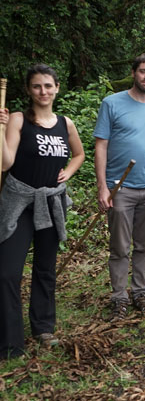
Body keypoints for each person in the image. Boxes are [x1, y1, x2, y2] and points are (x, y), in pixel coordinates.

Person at [0, 64, 84, 359]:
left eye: (48, 86)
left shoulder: (66, 123)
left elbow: (80, 153)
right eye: (37, 86)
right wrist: (0, 128)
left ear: (57, 88)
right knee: (7, 272)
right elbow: (5, 162)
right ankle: (11, 343)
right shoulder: (19, 120)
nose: (43, 91)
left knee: (45, 269)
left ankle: (44, 328)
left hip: (51, 203)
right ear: (29, 90)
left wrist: (69, 172)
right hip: (20, 203)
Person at [94, 53, 145, 322]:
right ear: (133, 73)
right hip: (121, 188)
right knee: (120, 247)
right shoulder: (112, 104)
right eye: (143, 71)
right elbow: (101, 145)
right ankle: (119, 298)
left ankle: (140, 293)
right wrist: (102, 186)